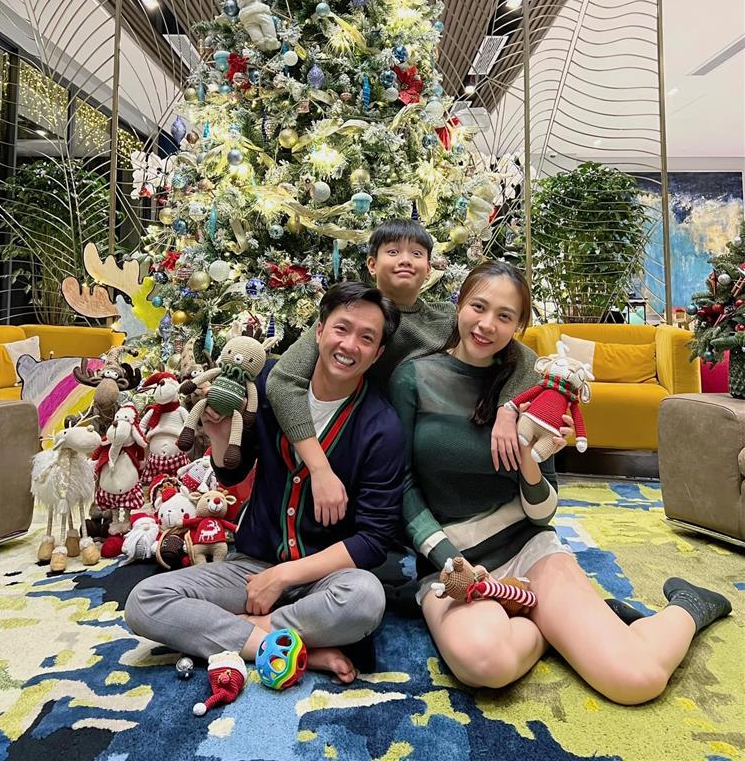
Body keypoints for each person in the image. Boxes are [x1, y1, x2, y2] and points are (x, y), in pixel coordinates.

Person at [388, 260, 732, 705]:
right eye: (478, 307)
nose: (487, 324)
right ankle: (552, 626)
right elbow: (400, 484)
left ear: (519, 325)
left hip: (527, 549)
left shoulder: (532, 382)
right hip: (448, 562)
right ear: (459, 305)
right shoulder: (414, 377)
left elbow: (544, 511)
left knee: (637, 679)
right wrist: (451, 560)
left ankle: (689, 605)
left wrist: (531, 459)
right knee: (484, 663)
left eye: (505, 316)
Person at [125, 283, 405, 704]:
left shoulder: (382, 427)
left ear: (378, 353)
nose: (350, 345)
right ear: (319, 331)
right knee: (144, 601)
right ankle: (286, 647)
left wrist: (282, 577)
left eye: (366, 338)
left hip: (323, 579)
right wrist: (220, 436)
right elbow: (233, 472)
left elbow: (373, 540)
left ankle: (240, 633)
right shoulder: (272, 389)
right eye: (341, 329)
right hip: (250, 568)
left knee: (364, 600)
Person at [267, 219, 535, 525]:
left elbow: (527, 360)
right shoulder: (350, 317)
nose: (405, 260)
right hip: (351, 441)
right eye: (393, 251)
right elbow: (283, 380)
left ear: (429, 268)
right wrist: (319, 467)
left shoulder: (447, 319)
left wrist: (507, 409)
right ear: (372, 264)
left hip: (416, 447)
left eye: (417, 253)